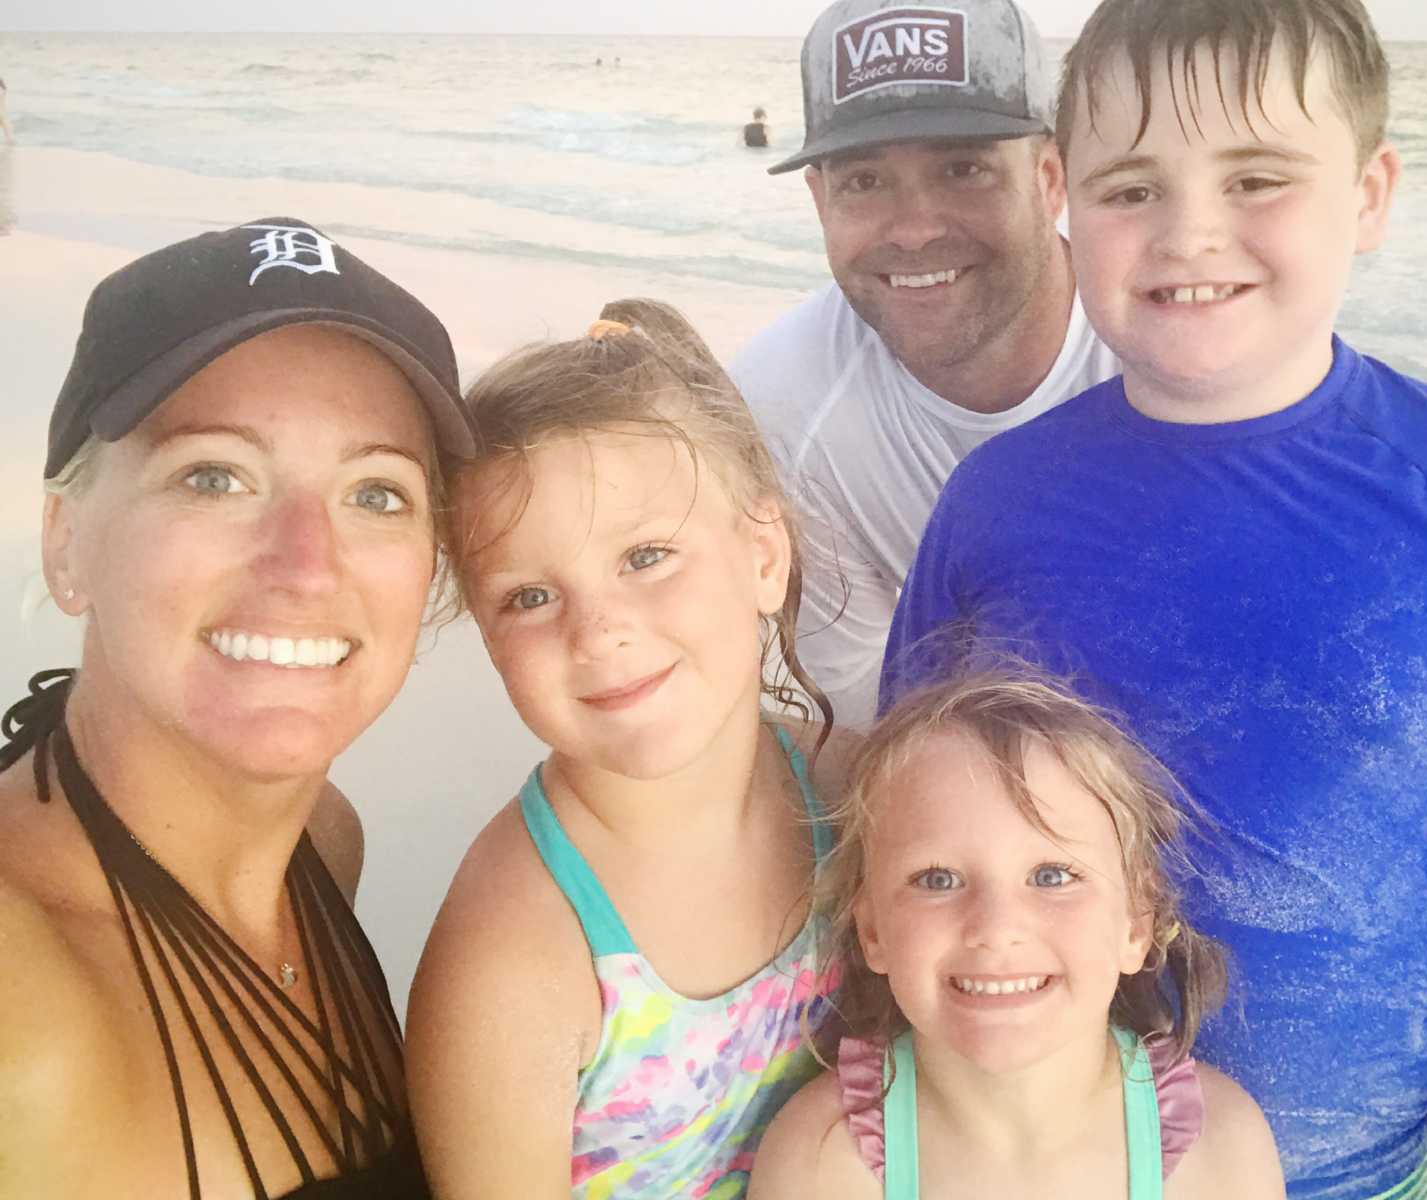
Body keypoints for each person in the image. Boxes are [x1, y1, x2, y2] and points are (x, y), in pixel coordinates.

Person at [883, 0, 1427, 1195]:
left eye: (1258, 176)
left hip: (1371, 1173)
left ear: (1368, 194)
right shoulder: (993, 505)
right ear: (1059, 193)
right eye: (1130, 191)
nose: (1188, 233)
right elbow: (905, 850)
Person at [0, 217, 479, 1198]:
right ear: (66, 541)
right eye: (213, 476)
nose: (305, 564)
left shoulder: (324, 845)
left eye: (376, 493)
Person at [406, 299, 848, 1198]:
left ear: (765, 556)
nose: (599, 632)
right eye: (530, 597)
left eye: (647, 557)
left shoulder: (853, 795)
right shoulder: (516, 959)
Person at [750, 664, 1284, 1198]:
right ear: (871, 930)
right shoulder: (819, 1161)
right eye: (938, 879)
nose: (997, 929)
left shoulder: (1222, 1153)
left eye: (1052, 877)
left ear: (1137, 921)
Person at [729, 0, 1119, 730]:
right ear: (819, 200)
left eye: (963, 168)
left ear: (1051, 176)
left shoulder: (1162, 354)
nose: (914, 231)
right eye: (865, 182)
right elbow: (855, 731)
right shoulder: (782, 412)